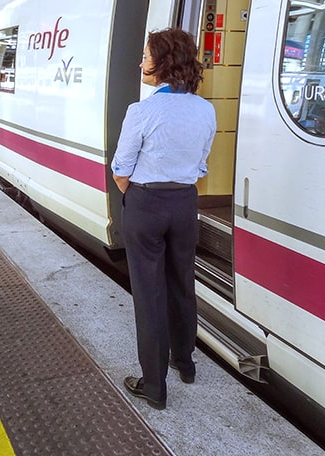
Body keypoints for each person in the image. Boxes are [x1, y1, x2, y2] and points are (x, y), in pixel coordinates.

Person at [110, 28, 216, 410]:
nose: (141, 62)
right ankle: (185, 362)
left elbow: (121, 167)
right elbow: (202, 163)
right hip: (185, 203)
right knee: (181, 282)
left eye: (146, 55)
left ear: (163, 62)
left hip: (146, 203)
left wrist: (137, 197)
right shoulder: (205, 109)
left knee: (149, 294)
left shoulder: (142, 111)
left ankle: (154, 384)